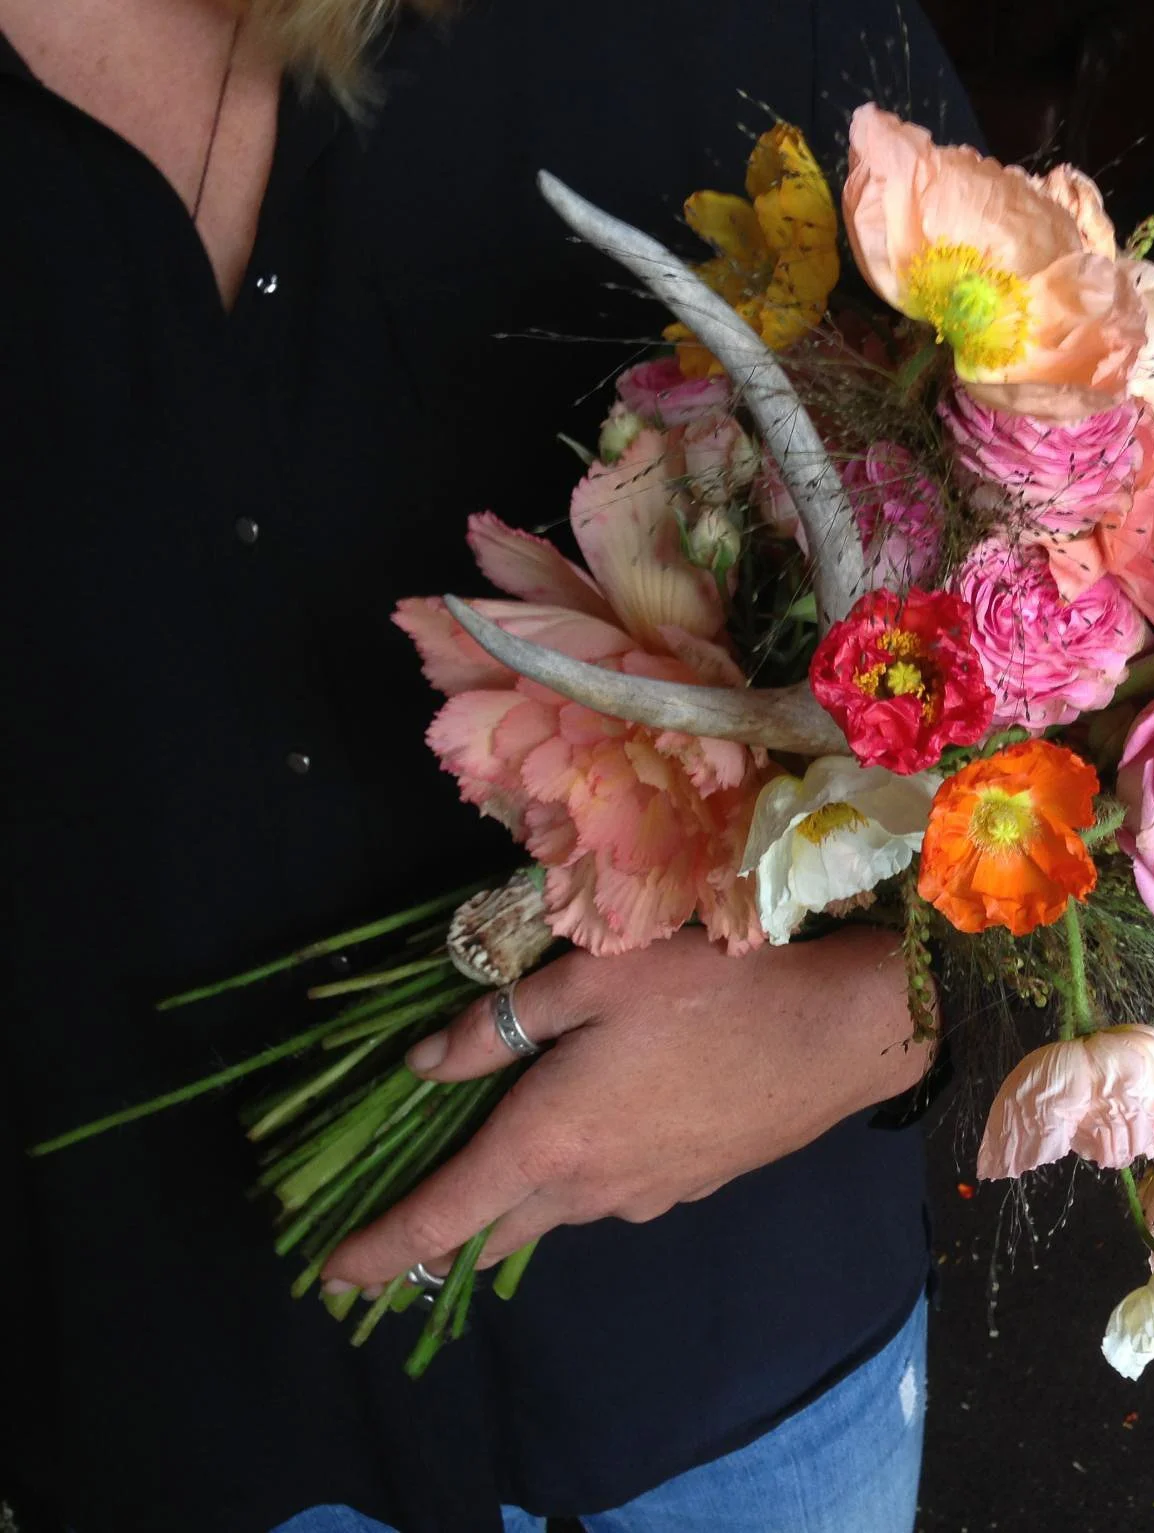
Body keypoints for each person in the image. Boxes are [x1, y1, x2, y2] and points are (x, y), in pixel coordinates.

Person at [0, 2, 975, 1529]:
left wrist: (867, 1021)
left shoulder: (750, 30)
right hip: (166, 1407)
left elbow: (1088, 628)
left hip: (739, 1382)